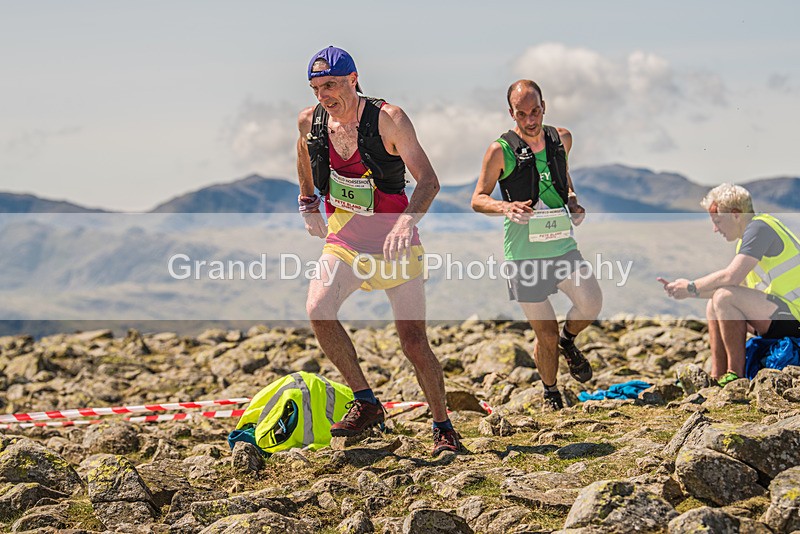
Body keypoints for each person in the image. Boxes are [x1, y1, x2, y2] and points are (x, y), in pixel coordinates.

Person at [295, 46, 461, 455]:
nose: (324, 96)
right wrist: (307, 201)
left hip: (394, 243)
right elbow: (302, 149)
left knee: (413, 342)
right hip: (346, 241)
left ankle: (443, 428)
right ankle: (367, 402)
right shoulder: (312, 121)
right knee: (318, 309)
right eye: (316, 88)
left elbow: (429, 182)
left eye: (331, 85)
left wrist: (408, 221)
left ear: (354, 79)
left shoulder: (389, 119)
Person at [471, 80, 602, 411]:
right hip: (524, 256)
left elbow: (564, 177)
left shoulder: (561, 138)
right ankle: (551, 393)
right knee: (544, 333)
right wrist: (506, 207)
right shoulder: (499, 150)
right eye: (521, 114)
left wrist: (572, 201)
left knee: (591, 303)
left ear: (544, 106)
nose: (530, 120)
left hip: (561, 246)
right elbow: (478, 199)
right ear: (511, 113)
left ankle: (568, 343)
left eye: (535, 111)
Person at [660, 183, 800, 385]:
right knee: (715, 303)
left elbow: (730, 278)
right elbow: (733, 286)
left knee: (724, 298)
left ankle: (736, 376)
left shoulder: (760, 228)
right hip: (781, 314)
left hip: (794, 317)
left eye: (718, 221)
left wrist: (691, 286)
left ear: (735, 214)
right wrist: (687, 292)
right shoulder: (748, 239)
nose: (715, 229)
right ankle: (718, 376)